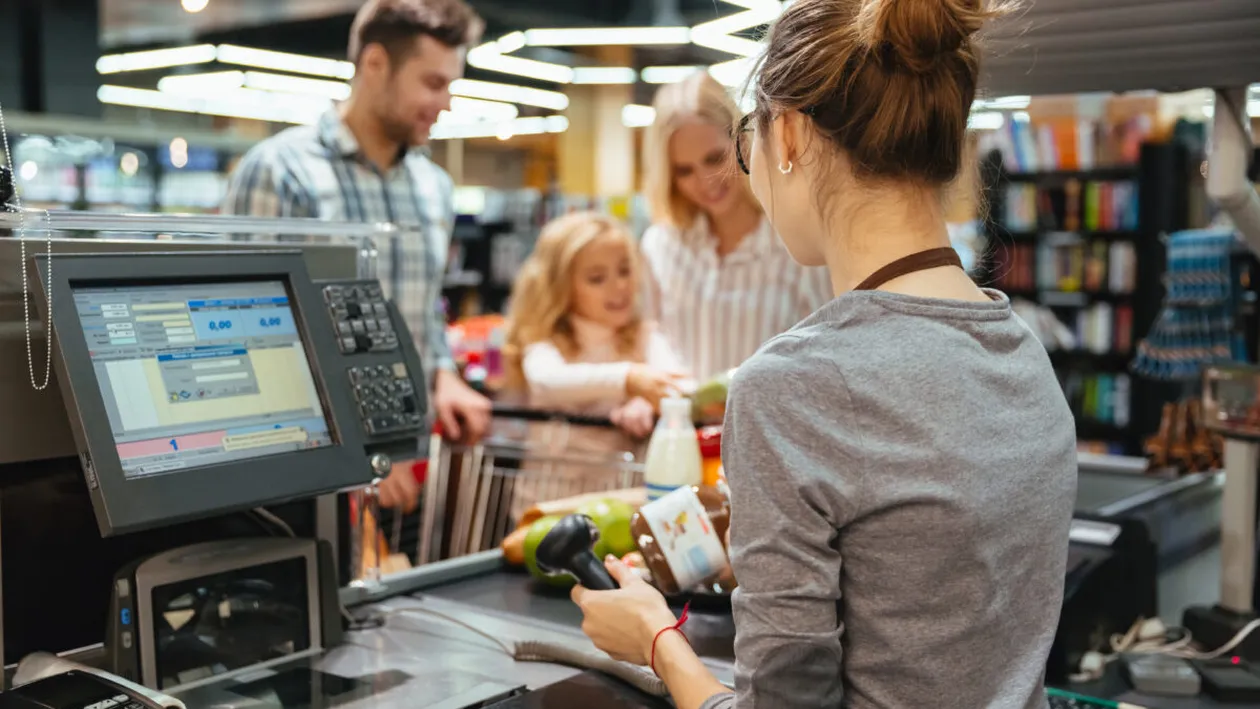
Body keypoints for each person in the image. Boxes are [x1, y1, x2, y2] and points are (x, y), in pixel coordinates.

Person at [572, 0, 1077, 708]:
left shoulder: (790, 386)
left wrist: (656, 638)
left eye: (744, 141)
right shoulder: (1024, 353)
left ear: (787, 134)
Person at [221, 0, 491, 512]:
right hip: (307, 474)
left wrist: (443, 373)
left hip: (409, 464)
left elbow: (423, 309)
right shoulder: (282, 172)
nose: (446, 103)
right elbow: (248, 335)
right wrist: (357, 452)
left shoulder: (433, 187)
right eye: (433, 83)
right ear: (375, 64)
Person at [639, 72, 832, 382]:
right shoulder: (660, 245)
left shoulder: (798, 243)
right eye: (684, 170)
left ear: (743, 141)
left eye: (715, 159)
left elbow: (828, 350)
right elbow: (646, 332)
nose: (705, 182)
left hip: (772, 412)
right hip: (682, 414)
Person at [502, 212, 686, 518]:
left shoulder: (644, 336)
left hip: (618, 511)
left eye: (624, 271)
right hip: (545, 507)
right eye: (597, 278)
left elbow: (681, 384)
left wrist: (647, 401)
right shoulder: (545, 339)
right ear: (560, 286)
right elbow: (547, 381)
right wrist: (629, 379)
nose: (618, 287)